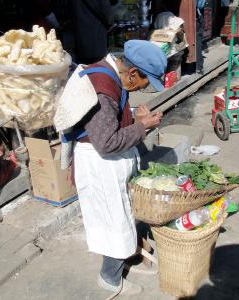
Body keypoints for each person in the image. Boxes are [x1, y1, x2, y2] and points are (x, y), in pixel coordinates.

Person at [62, 40, 166, 296]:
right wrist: (143, 127)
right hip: (101, 164)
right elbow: (107, 142)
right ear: (132, 72)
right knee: (114, 222)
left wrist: (136, 117)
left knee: (123, 215)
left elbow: (109, 118)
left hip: (109, 162)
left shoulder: (113, 77)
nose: (144, 88)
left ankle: (128, 254)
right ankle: (109, 277)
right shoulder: (104, 88)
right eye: (144, 82)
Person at [71, 0, 114, 64]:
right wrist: (110, 23)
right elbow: (106, 10)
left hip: (79, 34)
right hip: (96, 34)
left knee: (82, 66)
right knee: (98, 65)